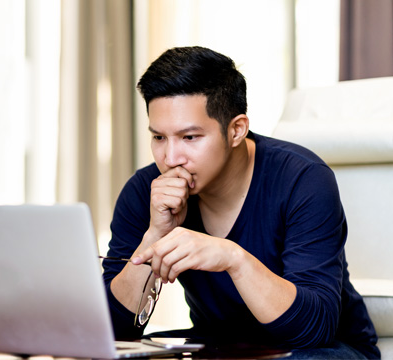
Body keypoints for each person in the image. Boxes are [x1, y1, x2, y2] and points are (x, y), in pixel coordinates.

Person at [101, 46, 380, 359]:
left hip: (319, 349)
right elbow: (108, 333)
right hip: (220, 346)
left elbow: (313, 330)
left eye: (190, 137)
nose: (170, 158)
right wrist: (154, 235)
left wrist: (233, 258)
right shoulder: (146, 191)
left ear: (236, 130)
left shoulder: (303, 179)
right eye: (159, 138)